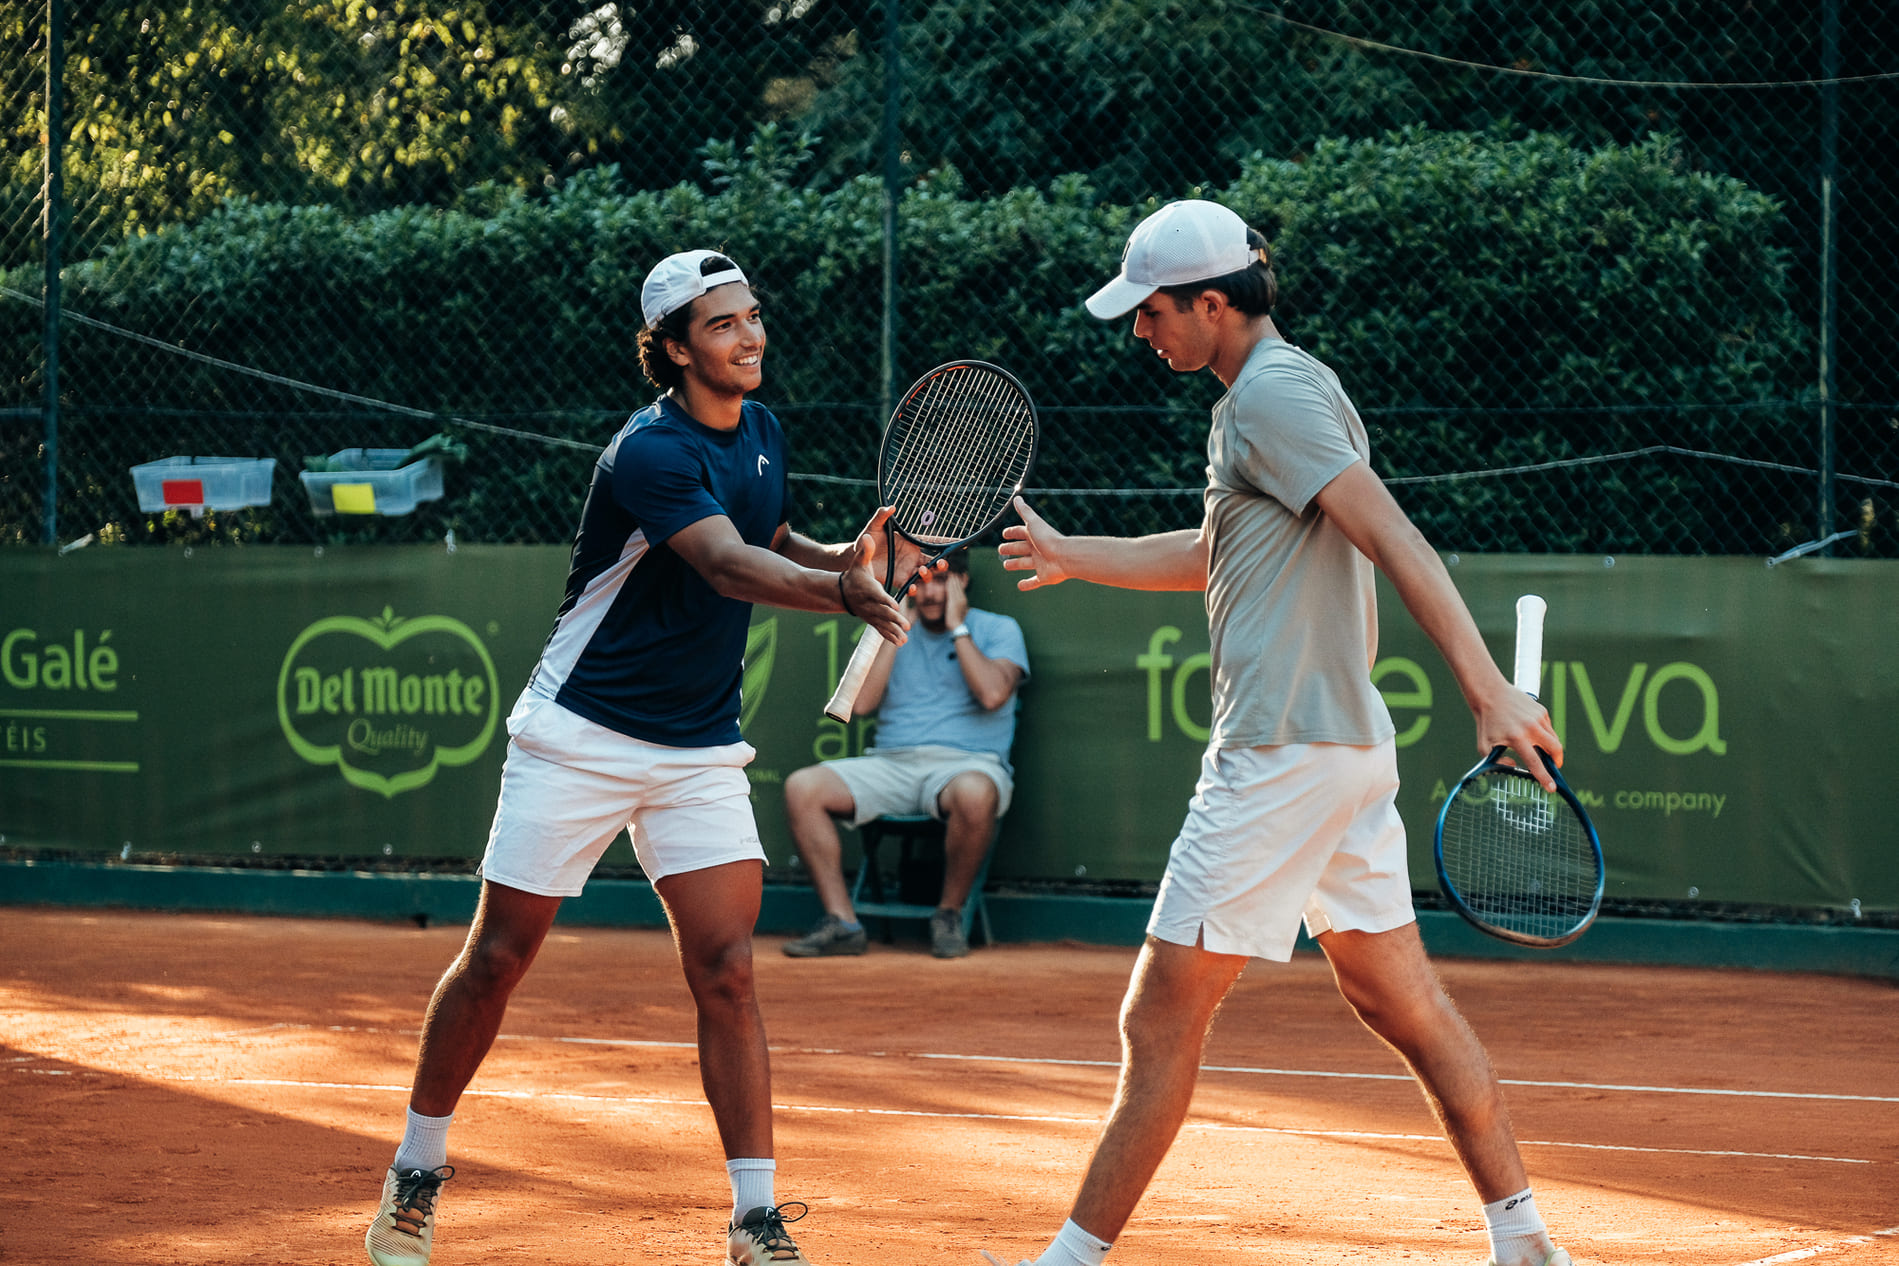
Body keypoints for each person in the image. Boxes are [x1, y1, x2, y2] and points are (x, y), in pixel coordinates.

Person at [986, 201, 1576, 1266]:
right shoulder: (1277, 392)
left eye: (1154, 311)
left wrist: (1486, 686)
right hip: (1339, 753)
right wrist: (1078, 555)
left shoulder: (1270, 395)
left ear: (1213, 304)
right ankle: (1524, 1240)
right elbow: (1226, 548)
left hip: (1279, 757)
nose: (1141, 331)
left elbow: (1390, 529)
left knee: (1157, 1020)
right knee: (1401, 1001)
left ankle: (1066, 1263)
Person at [363, 249, 929, 1266]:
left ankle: (754, 1221)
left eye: (753, 317)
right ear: (673, 350)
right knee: (498, 959)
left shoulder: (761, 430)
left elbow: (768, 534)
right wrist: (838, 595)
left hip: (699, 748)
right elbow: (720, 564)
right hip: (579, 732)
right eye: (722, 325)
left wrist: (835, 560)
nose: (750, 337)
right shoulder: (649, 452)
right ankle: (416, 1168)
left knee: (727, 968)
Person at [780, 548, 1029, 960]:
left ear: (962, 581)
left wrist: (957, 629)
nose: (928, 592)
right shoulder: (894, 627)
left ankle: (948, 915)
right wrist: (896, 630)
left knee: (974, 793)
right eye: (920, 580)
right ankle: (843, 923)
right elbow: (861, 706)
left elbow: (991, 694)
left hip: (967, 767)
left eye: (940, 579)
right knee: (802, 788)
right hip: (891, 765)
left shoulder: (1001, 629)